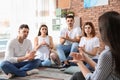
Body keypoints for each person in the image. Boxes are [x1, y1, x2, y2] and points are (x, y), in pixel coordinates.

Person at [70, 11, 120, 80]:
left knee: (77, 75)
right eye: (85, 28)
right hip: (92, 59)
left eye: (89, 28)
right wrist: (86, 58)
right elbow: (103, 69)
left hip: (95, 58)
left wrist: (79, 63)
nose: (87, 30)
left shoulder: (107, 54)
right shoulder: (114, 51)